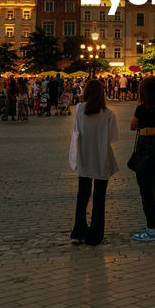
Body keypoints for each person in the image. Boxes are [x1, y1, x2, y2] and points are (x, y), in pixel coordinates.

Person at [69, 79, 119, 246]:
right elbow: (113, 138)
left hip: (84, 157)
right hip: (101, 158)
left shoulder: (78, 109)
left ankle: (79, 231)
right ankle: (96, 234)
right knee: (99, 198)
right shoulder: (109, 114)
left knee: (82, 196)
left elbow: (75, 131)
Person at [131, 77, 155, 242]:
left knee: (146, 188)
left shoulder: (141, 109)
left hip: (145, 147)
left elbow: (133, 126)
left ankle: (151, 228)